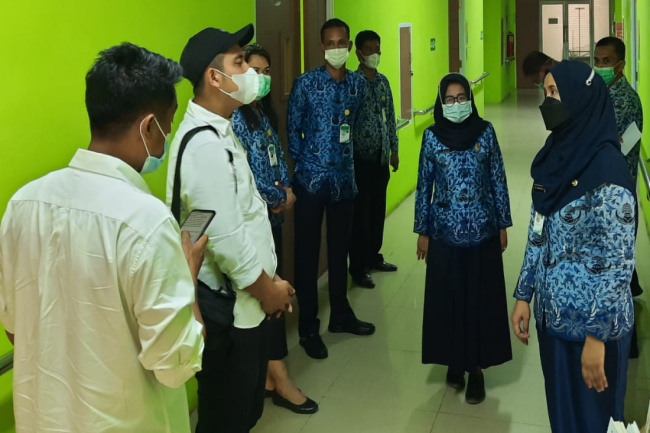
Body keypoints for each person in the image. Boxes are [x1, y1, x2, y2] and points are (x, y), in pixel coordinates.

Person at [0, 43, 206, 433]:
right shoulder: (146, 222)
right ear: (149, 127)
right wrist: (188, 276)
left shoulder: (23, 203)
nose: (166, 136)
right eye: (168, 124)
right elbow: (175, 365)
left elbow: (15, 326)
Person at [167, 26, 295, 433]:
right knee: (228, 417)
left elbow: (213, 221)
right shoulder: (205, 145)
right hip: (231, 310)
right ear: (214, 77)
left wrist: (270, 280)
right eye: (239, 63)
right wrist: (268, 292)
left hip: (247, 299)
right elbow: (226, 240)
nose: (250, 72)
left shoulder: (220, 131)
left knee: (244, 413)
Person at [511, 61, 636, 433]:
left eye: (555, 93)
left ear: (581, 99)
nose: (547, 101)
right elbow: (537, 232)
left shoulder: (609, 174)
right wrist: (523, 294)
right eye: (546, 92)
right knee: (563, 420)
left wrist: (596, 337)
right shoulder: (555, 157)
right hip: (553, 321)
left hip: (596, 331)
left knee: (595, 423)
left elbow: (618, 265)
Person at [414, 73, 513, 405]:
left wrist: (502, 224)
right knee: (448, 300)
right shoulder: (431, 137)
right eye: (449, 99)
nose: (456, 104)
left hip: (483, 231)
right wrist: (423, 231)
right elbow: (423, 187)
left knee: (478, 302)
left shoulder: (485, 132)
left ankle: (476, 370)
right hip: (444, 233)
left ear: (469, 99)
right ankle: (454, 362)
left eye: (461, 98)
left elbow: (498, 179)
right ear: (441, 103)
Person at [232, 43, 318, 415]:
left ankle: (270, 376)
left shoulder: (261, 112)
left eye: (267, 71)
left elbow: (275, 156)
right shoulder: (234, 119)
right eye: (255, 70)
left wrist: (287, 189)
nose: (263, 78)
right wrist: (277, 196)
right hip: (254, 222)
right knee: (267, 297)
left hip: (273, 217)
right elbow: (247, 176)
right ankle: (280, 379)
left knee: (272, 296)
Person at [288, 18, 374, 360]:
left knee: (340, 251)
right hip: (311, 181)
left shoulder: (358, 85)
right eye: (330, 43)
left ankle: (340, 314)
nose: (336, 48)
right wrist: (303, 166)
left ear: (349, 47)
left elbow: (354, 125)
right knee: (307, 255)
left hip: (344, 181)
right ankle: (308, 327)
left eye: (342, 43)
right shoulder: (306, 84)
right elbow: (293, 129)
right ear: (322, 46)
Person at [594, 38, 644, 342]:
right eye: (597, 60)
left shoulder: (627, 101)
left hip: (617, 199)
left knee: (616, 272)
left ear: (621, 65)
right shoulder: (601, 93)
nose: (600, 66)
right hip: (600, 196)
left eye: (607, 61)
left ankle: (628, 341)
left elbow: (616, 151)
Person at [348, 30, 399, 289]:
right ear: (359, 53)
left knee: (378, 212)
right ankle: (358, 268)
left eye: (377, 49)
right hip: (359, 161)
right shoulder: (352, 84)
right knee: (361, 217)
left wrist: (394, 150)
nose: (374, 54)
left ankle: (373, 257)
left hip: (380, 159)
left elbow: (390, 117)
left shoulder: (382, 82)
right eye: (369, 50)